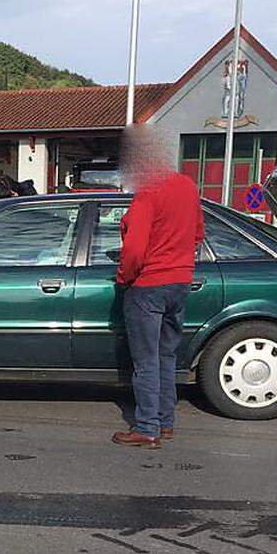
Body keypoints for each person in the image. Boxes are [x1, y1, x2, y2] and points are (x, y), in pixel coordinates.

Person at [111, 126, 204, 449]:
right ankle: (166, 423)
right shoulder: (188, 187)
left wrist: (124, 278)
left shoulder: (149, 192)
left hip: (148, 286)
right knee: (166, 356)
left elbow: (134, 248)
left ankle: (146, 427)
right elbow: (197, 234)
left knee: (145, 361)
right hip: (180, 284)